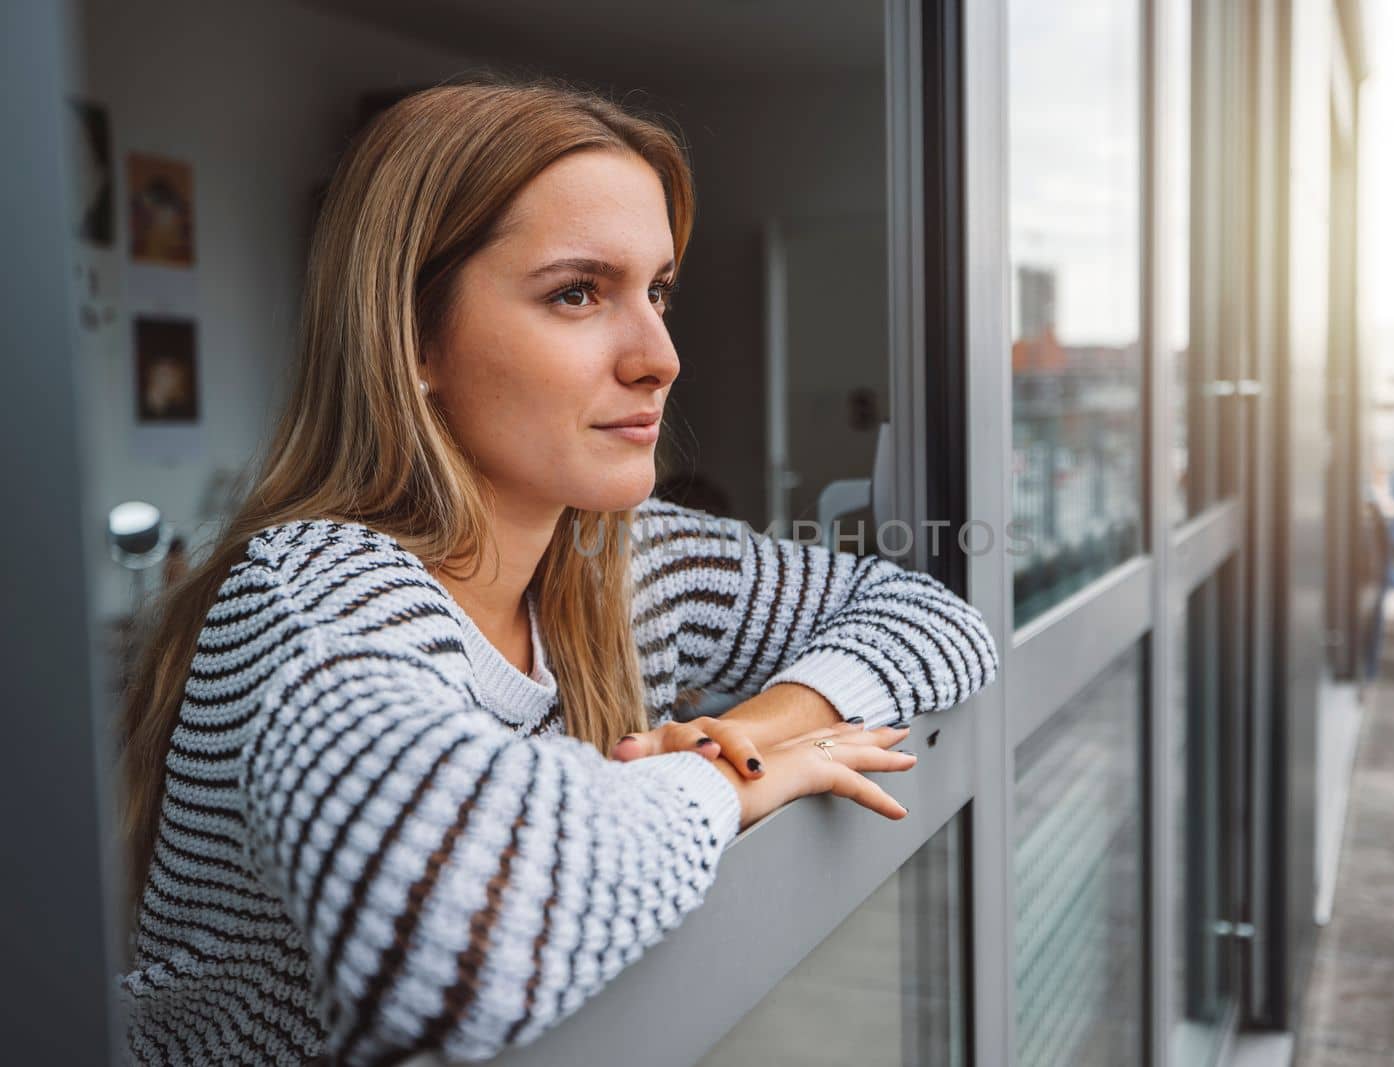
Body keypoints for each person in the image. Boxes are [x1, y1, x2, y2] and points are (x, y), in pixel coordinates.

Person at [116, 76, 998, 1066]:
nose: (659, 355)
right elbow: (455, 941)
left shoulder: (627, 555)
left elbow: (937, 618)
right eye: (578, 292)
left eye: (656, 290)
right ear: (410, 337)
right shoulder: (312, 589)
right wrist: (709, 780)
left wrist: (749, 732)